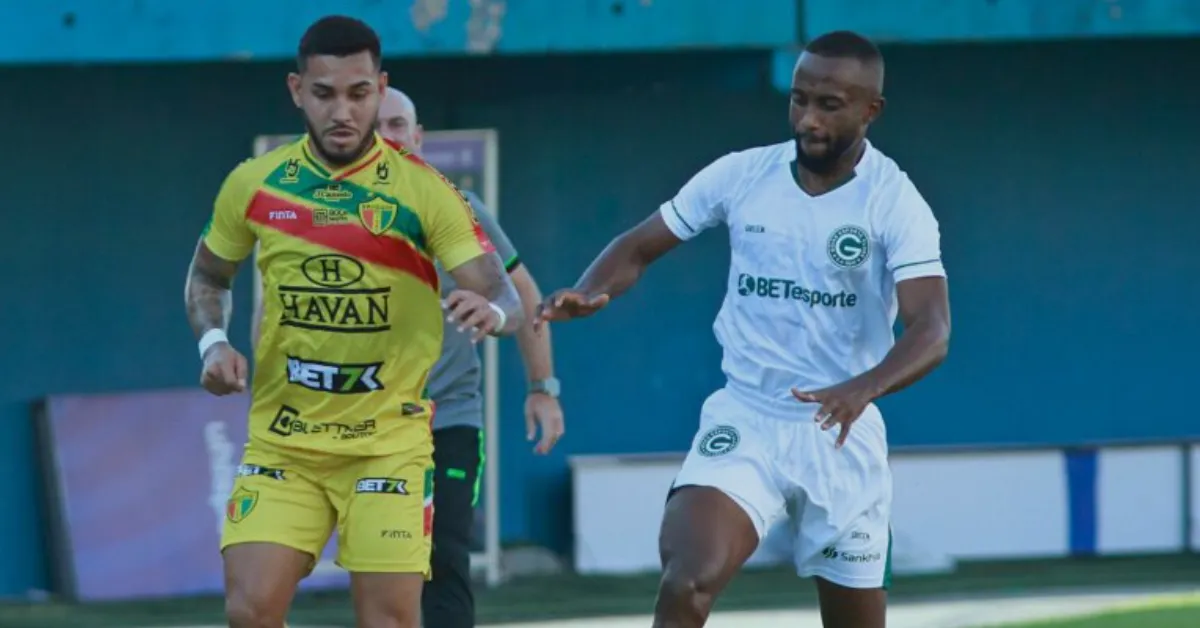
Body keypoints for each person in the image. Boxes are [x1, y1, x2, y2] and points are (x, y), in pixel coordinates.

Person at [536, 30, 951, 628]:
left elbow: (932, 328)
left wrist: (863, 387)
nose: (807, 119)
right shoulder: (743, 174)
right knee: (687, 581)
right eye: (798, 99)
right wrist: (591, 286)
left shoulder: (895, 202)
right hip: (747, 416)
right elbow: (639, 246)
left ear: (871, 110)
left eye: (829, 105)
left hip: (842, 431)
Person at [183, 15, 524, 628]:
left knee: (389, 621)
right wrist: (213, 343)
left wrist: (492, 310)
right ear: (297, 91)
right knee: (248, 612)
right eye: (324, 93)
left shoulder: (426, 193)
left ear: (380, 87)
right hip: (286, 442)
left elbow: (506, 293)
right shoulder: (255, 184)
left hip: (387, 449)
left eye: (359, 93)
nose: (342, 111)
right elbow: (208, 276)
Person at [250, 86, 565, 628]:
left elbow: (523, 295)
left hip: (445, 417)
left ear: (418, 138)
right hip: (349, 424)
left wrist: (542, 388)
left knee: (443, 555)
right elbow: (271, 312)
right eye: (378, 126)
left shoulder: (459, 209)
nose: (388, 136)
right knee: (358, 573)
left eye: (398, 125)